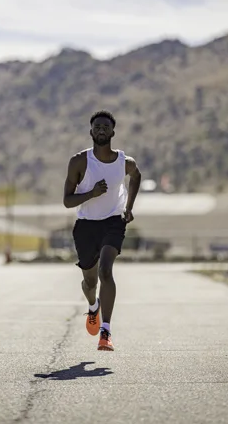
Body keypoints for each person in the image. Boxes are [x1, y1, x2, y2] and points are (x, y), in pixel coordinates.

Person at [63, 110, 141, 351]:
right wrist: (91, 193)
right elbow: (67, 200)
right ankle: (93, 306)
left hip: (113, 222)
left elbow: (136, 176)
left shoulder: (124, 162)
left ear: (113, 132)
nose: (101, 129)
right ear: (91, 132)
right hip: (86, 226)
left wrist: (128, 208)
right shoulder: (79, 162)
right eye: (97, 126)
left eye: (106, 126)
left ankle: (105, 332)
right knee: (90, 282)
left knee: (106, 271)